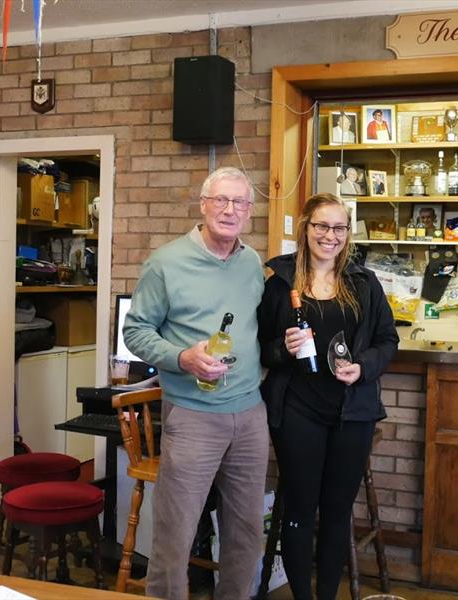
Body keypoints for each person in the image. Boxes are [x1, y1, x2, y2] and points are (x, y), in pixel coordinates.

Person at [123, 167, 269, 600]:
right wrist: (182, 358)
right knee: (175, 533)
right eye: (220, 200)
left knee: (245, 533)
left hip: (249, 413)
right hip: (193, 416)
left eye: (239, 202)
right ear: (203, 204)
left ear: (249, 211)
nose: (229, 210)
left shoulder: (252, 262)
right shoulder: (165, 263)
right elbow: (136, 332)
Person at [258, 193, 399, 600]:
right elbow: (261, 348)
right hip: (297, 410)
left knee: (337, 515)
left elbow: (388, 340)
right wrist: (283, 347)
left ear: (347, 234)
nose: (330, 236)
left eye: (339, 228)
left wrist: (364, 366)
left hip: (352, 411)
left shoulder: (364, 283)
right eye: (322, 226)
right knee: (301, 511)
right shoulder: (280, 284)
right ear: (306, 228)